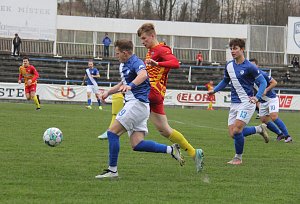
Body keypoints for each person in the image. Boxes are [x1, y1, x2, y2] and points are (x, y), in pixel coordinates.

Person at [95, 39, 184, 179]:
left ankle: (112, 171)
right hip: (138, 106)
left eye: (117, 53)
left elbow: (143, 74)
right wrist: (108, 92)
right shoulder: (124, 64)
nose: (116, 55)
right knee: (137, 144)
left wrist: (131, 86)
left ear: (125, 53)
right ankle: (171, 149)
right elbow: (122, 84)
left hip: (136, 104)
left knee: (112, 133)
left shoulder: (136, 62)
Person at [137, 23, 204, 172]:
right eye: (141, 40)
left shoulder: (161, 49)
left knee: (129, 94)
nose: (142, 42)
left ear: (152, 35)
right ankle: (194, 153)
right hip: (154, 94)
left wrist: (157, 62)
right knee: (164, 130)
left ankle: (114, 128)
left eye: (144, 38)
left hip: (153, 91)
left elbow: (175, 63)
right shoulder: (150, 51)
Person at [208, 38, 269, 165]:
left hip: (247, 103)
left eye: (235, 48)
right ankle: (259, 129)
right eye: (231, 48)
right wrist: (214, 90)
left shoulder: (250, 67)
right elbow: (225, 81)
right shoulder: (229, 65)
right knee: (233, 133)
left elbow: (263, 82)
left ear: (242, 49)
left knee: (237, 130)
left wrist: (257, 97)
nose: (232, 51)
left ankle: (238, 158)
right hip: (234, 103)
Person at [250, 58, 292, 143]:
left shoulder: (262, 74)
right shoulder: (249, 77)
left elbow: (274, 82)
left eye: (253, 65)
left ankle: (288, 136)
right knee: (264, 121)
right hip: (262, 102)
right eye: (250, 65)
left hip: (271, 99)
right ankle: (280, 134)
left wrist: (266, 89)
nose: (252, 67)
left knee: (274, 117)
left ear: (257, 66)